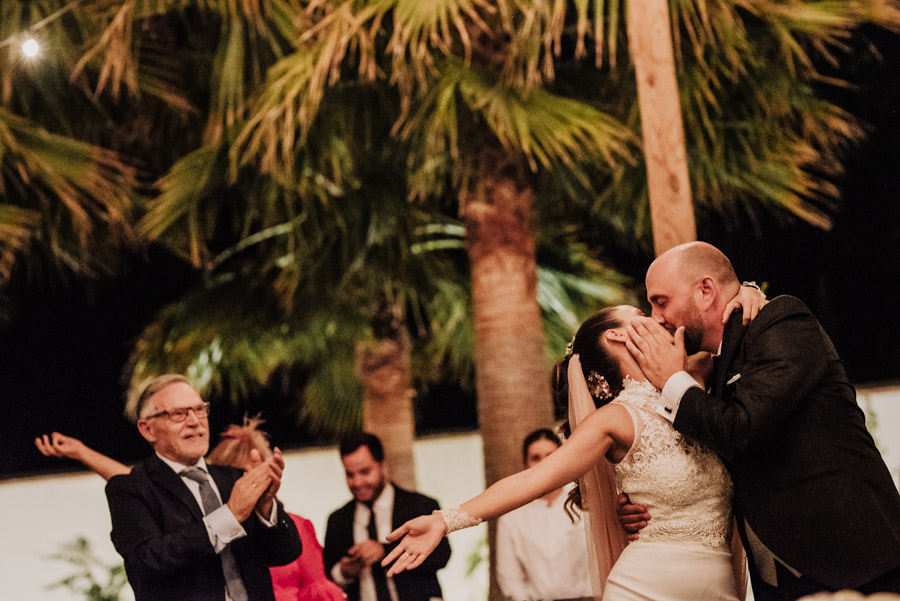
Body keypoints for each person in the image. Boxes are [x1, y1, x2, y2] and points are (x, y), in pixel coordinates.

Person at [379, 289, 765, 601]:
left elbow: (729, 333)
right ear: (617, 335)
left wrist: (746, 294)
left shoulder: (694, 382)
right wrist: (444, 520)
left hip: (721, 587)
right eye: (640, 313)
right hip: (648, 588)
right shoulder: (616, 419)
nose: (659, 318)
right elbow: (534, 480)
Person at [622, 241, 900, 601]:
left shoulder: (781, 322)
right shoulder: (712, 364)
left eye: (661, 301)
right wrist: (647, 499)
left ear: (706, 290)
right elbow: (713, 455)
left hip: (851, 558)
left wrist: (673, 381)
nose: (655, 316)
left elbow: (743, 429)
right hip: (776, 577)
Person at [36, 418, 344, 601]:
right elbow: (136, 485)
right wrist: (83, 453)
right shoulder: (208, 525)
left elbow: (318, 589)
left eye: (255, 475)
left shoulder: (292, 526)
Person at [103, 374, 302, 601]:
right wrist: (229, 516)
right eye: (178, 414)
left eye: (199, 410)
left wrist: (267, 508)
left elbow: (287, 553)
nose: (194, 421)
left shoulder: (234, 478)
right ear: (148, 429)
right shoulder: (130, 488)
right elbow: (146, 562)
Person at [323, 432, 450, 601]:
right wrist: (344, 572)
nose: (358, 482)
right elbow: (326, 577)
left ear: (383, 466)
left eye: (365, 472)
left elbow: (441, 555)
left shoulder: (420, 506)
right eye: (350, 475)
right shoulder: (338, 520)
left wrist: (385, 551)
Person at [495, 428, 593, 601]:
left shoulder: (584, 504)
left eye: (550, 456)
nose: (543, 463)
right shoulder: (511, 516)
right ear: (525, 465)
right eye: (535, 458)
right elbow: (509, 577)